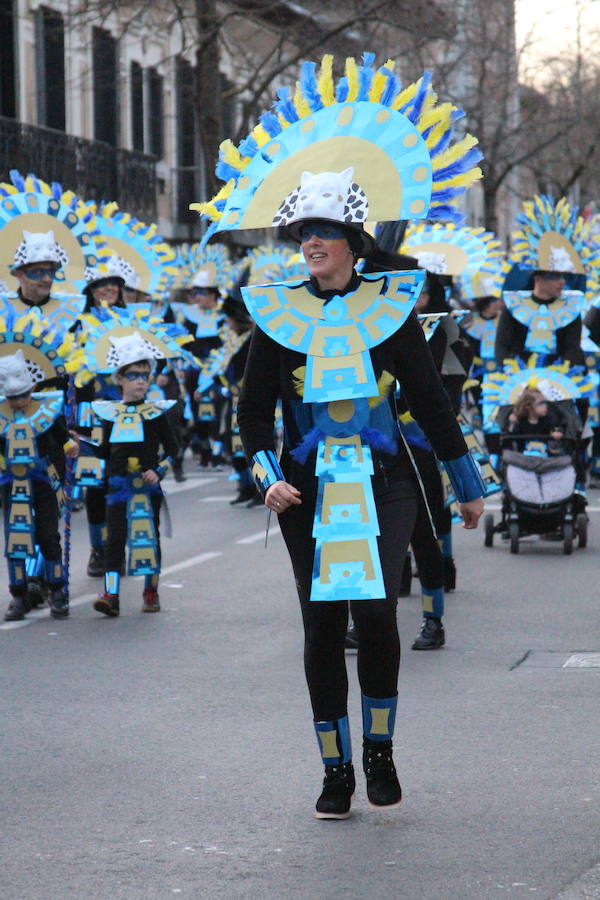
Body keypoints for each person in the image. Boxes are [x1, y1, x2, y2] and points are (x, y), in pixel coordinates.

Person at [197, 51, 485, 819]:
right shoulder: (278, 313)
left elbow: (428, 402)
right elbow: (252, 412)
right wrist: (268, 477)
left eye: (325, 231)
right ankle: (334, 772)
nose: (311, 243)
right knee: (322, 623)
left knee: (374, 614)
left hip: (385, 484)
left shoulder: (391, 309)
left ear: (354, 240)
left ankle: (381, 752)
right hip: (307, 489)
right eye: (303, 233)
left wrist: (467, 488)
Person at [92, 333, 179, 617]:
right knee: (114, 540)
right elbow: (102, 452)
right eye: (133, 375)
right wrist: (84, 443)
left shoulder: (156, 413)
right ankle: (111, 594)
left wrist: (159, 470)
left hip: (147, 487)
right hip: (117, 487)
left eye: (145, 375)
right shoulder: (107, 414)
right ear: (119, 378)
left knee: (148, 539)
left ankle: (150, 591)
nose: (141, 380)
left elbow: (173, 450)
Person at [0, 351, 78, 621]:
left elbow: (63, 438)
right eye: (12, 398)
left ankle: (57, 590)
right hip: (12, 483)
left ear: (32, 389)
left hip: (44, 479)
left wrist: (71, 446)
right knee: (16, 539)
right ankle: (18, 595)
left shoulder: (47, 409)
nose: (18, 402)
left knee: (47, 535)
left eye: (22, 395)